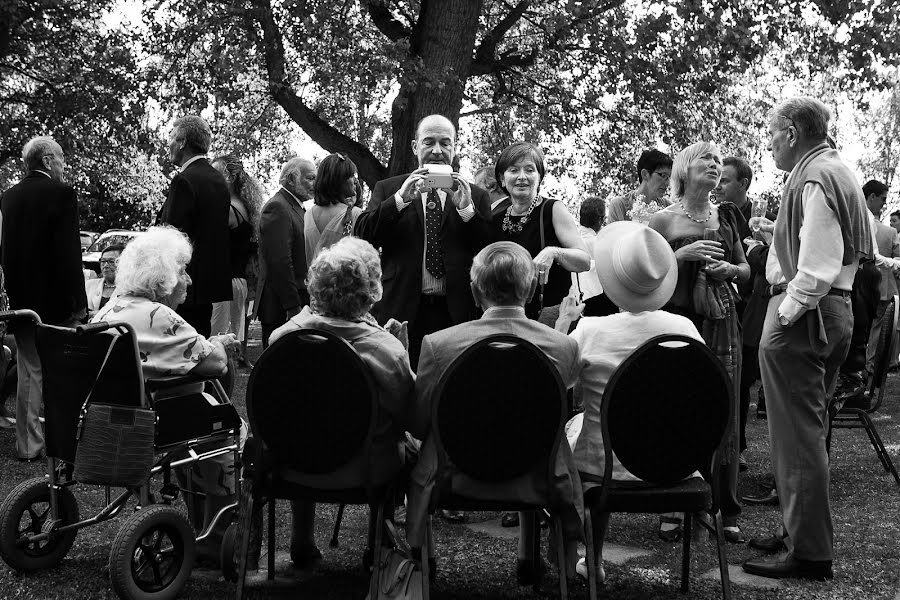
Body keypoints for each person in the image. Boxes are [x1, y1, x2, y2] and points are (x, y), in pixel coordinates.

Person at [742, 97, 872, 581]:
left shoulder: (814, 175)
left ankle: (811, 552)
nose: (770, 143)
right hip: (833, 312)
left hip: (807, 315)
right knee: (807, 432)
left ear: (793, 131)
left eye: (772, 133)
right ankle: (798, 531)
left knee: (796, 438)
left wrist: (785, 315)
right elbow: (831, 249)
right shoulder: (834, 169)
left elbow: (817, 265)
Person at [406, 241, 583, 585]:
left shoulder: (438, 345)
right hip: (536, 473)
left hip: (453, 473)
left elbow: (416, 421)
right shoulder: (564, 347)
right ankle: (527, 556)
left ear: (474, 292)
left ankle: (424, 563)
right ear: (531, 289)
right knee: (530, 427)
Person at [556, 221, 703, 585]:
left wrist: (562, 325)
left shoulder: (590, 331)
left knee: (578, 430)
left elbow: (558, 381)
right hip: (675, 464)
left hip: (603, 469)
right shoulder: (685, 329)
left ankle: (590, 558)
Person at [92, 226, 243, 558]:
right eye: (182, 271)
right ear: (163, 278)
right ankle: (217, 536)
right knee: (228, 429)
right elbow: (215, 364)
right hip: (150, 424)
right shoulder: (160, 316)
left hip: (103, 421)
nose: (188, 280)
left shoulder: (109, 310)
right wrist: (219, 343)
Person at [269, 237, 414, 569]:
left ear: (315, 288)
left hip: (292, 463)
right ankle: (377, 546)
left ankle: (301, 538)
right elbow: (409, 415)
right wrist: (400, 349)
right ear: (370, 293)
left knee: (305, 422)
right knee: (406, 447)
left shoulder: (282, 339)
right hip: (364, 467)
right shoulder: (384, 349)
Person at [648, 141, 750, 545]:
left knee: (723, 410)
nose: (715, 164)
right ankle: (673, 502)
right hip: (677, 323)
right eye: (706, 159)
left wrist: (731, 268)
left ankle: (725, 506)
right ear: (684, 170)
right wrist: (682, 254)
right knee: (676, 409)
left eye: (719, 160)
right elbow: (647, 276)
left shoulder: (727, 216)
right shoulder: (661, 221)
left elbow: (745, 269)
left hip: (722, 322)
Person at [354, 114, 493, 370]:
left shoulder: (475, 195)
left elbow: (489, 249)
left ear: (455, 147)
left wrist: (467, 212)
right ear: (415, 146)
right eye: (429, 142)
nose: (437, 150)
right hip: (401, 309)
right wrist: (399, 201)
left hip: (457, 313)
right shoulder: (389, 189)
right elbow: (363, 235)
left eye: (445, 143)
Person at [1, 136, 87, 461]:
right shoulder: (62, 194)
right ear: (48, 161)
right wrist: (79, 303)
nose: (64, 165)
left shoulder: (8, 197)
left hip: (19, 302)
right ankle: (61, 440)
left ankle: (28, 444)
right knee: (60, 374)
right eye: (62, 158)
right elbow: (69, 255)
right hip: (56, 304)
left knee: (28, 370)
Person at [491, 142, 590, 325]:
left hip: (550, 320)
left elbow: (584, 261)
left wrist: (554, 252)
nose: (522, 177)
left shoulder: (553, 209)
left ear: (539, 177)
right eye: (513, 170)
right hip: (509, 319)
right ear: (502, 179)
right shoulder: (496, 217)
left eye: (529, 170)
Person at [158, 115, 231, 338]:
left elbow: (171, 237)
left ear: (182, 141)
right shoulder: (218, 180)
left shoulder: (185, 180)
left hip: (182, 286)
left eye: (171, 136)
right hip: (207, 286)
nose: (168, 143)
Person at [255, 157, 316, 347]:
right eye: (310, 178)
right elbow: (280, 260)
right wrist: (292, 306)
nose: (315, 184)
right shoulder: (278, 207)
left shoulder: (297, 207)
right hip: (282, 307)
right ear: (291, 179)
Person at [210, 154, 263, 364]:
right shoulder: (242, 205)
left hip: (225, 285)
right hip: (235, 282)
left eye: (215, 173)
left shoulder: (228, 209)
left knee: (218, 345)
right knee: (227, 343)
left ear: (229, 177)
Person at [861, 180, 900, 374]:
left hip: (864, 283)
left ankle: (868, 363)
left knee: (871, 326)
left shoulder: (862, 216)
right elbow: (883, 258)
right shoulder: (890, 231)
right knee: (885, 327)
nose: (884, 203)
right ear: (872, 197)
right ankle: (881, 363)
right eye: (883, 199)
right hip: (883, 284)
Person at [304, 153, 363, 266]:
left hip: (315, 282)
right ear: (339, 181)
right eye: (351, 176)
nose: (355, 181)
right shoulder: (356, 214)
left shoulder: (308, 214)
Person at [573, 195, 618, 318]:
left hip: (575, 300)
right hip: (597, 301)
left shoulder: (571, 241)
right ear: (600, 220)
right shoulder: (601, 244)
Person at [606, 149, 673, 224]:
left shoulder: (668, 208)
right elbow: (612, 234)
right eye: (663, 175)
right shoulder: (619, 206)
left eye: (669, 177)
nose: (667, 183)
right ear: (645, 174)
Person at [85, 244, 125, 318]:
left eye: (111, 261)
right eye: (103, 261)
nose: (106, 265)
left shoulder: (128, 289)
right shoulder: (89, 285)